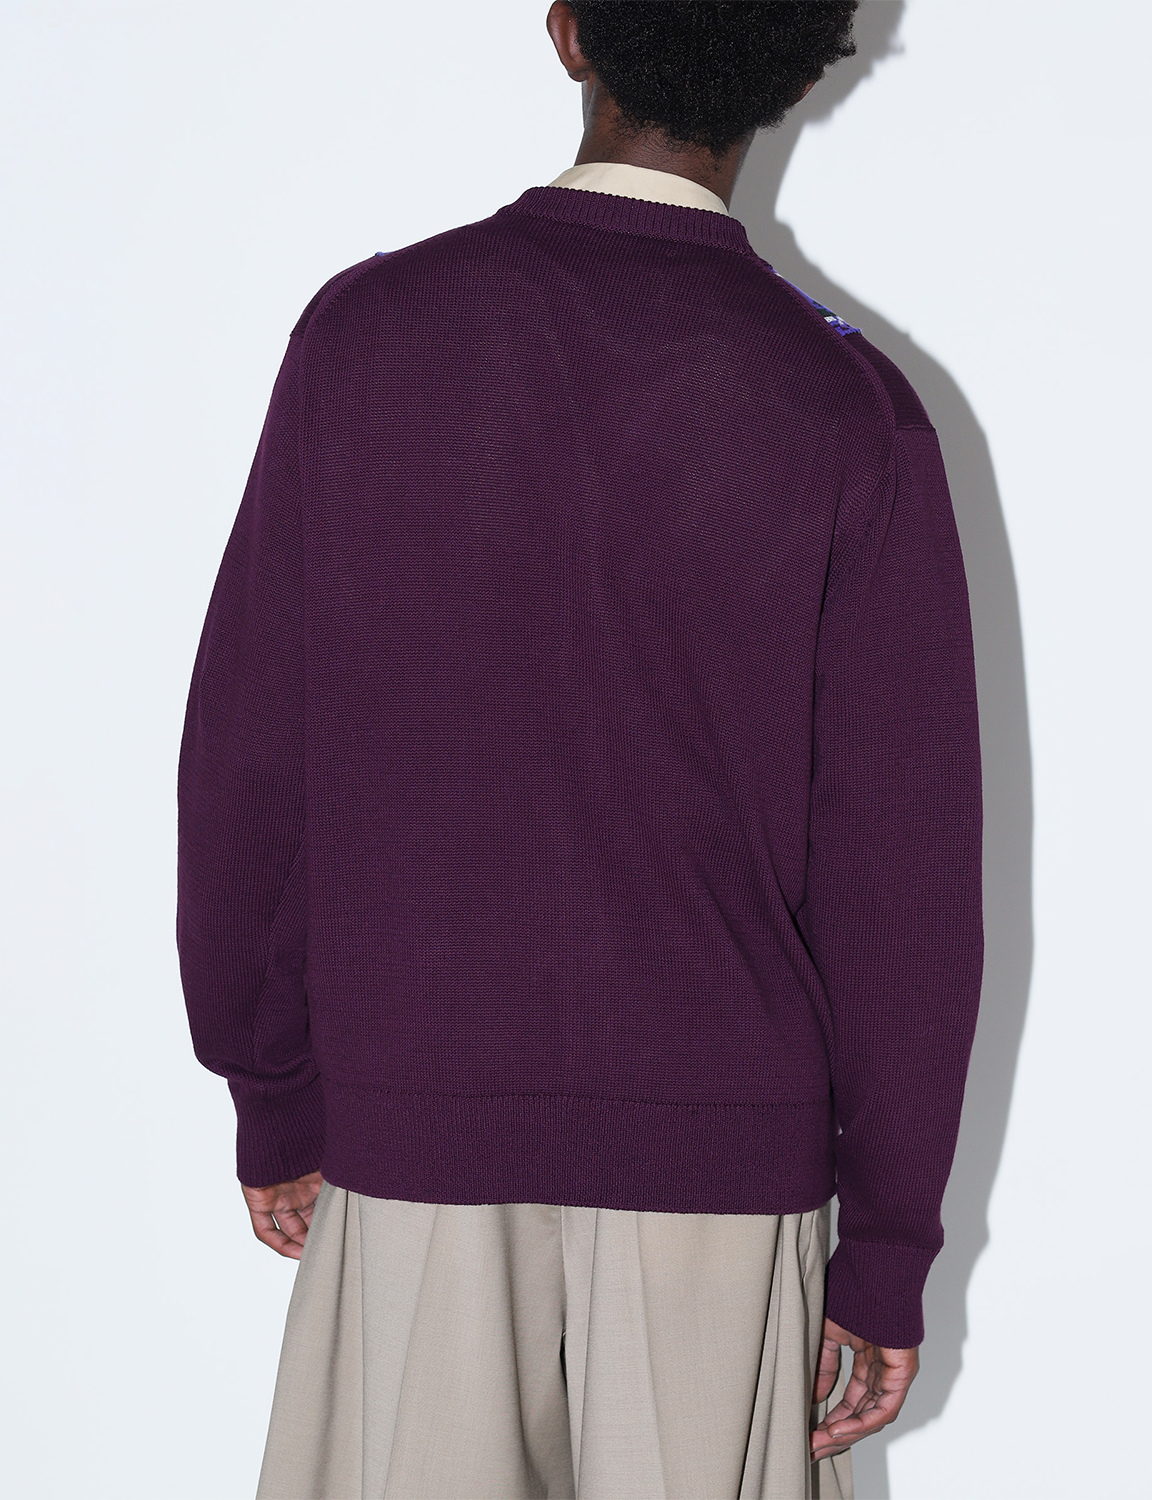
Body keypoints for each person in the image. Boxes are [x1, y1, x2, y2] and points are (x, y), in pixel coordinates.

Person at [177, 2, 983, 1495]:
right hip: (721, 1177)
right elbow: (904, 881)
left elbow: (251, 754)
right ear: (799, 69)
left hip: (417, 1126)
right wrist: (885, 1247)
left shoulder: (369, 334)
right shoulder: (847, 406)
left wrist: (273, 1085)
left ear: (567, 35)